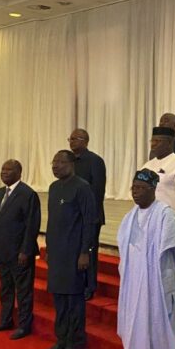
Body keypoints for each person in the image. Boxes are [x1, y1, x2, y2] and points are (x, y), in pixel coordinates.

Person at [117, 169, 175, 349]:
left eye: (141, 188)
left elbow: (173, 247)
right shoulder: (130, 216)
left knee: (154, 326)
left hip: (155, 281)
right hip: (133, 280)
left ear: (153, 189)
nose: (135, 192)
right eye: (133, 188)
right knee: (136, 325)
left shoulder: (165, 214)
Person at [40, 150, 96, 349]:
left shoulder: (82, 188)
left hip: (74, 254)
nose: (55, 166)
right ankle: (61, 340)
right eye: (53, 162)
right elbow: (52, 221)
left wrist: (85, 252)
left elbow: (89, 222)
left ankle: (75, 343)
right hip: (57, 254)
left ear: (71, 164)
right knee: (59, 301)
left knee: (74, 302)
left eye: (60, 162)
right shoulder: (54, 188)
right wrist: (49, 248)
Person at [0, 159, 41, 341]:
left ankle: (24, 326)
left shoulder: (28, 194)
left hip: (19, 254)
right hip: (1, 251)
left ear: (19, 173)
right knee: (5, 288)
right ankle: (5, 320)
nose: (4, 172)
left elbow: (31, 225)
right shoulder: (0, 193)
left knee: (23, 291)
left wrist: (25, 251)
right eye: (3, 169)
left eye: (8, 170)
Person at [70, 128, 106, 301]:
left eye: (75, 138)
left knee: (89, 251)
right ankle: (76, 282)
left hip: (90, 216)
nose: (71, 141)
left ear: (85, 140)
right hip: (72, 216)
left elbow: (97, 191)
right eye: (70, 139)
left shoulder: (95, 161)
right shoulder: (69, 161)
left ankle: (89, 286)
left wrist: (90, 215)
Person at [142, 126, 175, 235]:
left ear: (169, 142)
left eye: (158, 141)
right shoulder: (147, 166)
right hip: (148, 222)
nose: (153, 144)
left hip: (170, 223)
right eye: (152, 141)